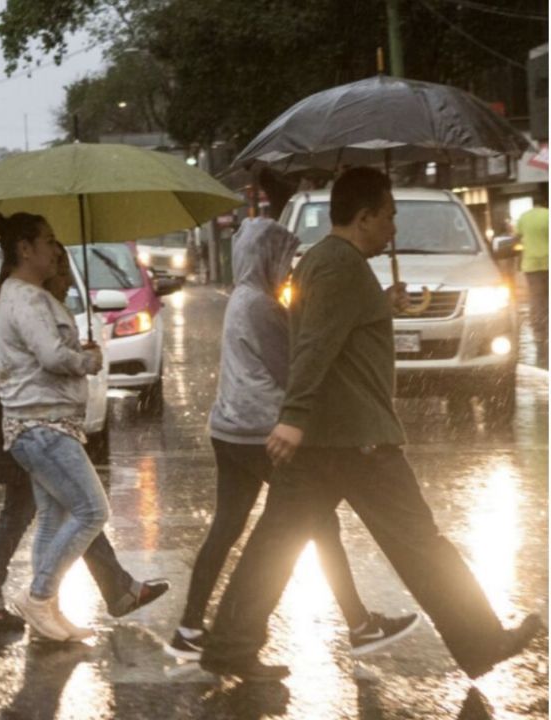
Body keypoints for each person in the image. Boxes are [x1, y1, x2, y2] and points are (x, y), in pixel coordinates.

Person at [200, 167, 545, 682]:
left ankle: (228, 646)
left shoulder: (326, 261)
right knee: (419, 542)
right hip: (354, 437)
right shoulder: (340, 266)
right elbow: (315, 343)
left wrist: (383, 305)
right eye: (389, 214)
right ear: (363, 217)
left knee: (276, 542)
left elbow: (333, 327)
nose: (394, 226)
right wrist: (292, 418)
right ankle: (480, 641)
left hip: (326, 439)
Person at [165, 169, 417, 661]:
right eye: (283, 258)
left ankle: (192, 627)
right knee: (314, 524)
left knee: (231, 527)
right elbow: (303, 361)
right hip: (262, 431)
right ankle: (356, 624)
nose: (288, 268)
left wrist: (374, 305)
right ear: (266, 258)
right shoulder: (259, 305)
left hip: (229, 429)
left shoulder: (244, 298)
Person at [0, 241, 169, 631]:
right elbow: (52, 357)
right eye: (52, 253)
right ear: (26, 248)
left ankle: (46, 612)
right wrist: (85, 360)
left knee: (52, 517)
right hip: (43, 426)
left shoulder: (23, 296)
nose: (58, 265)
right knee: (93, 510)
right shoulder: (25, 299)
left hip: (44, 423)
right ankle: (39, 595)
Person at [514, 189, 548, 367]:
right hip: (548, 263)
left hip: (531, 264)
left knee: (536, 297)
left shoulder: (524, 217)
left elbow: (517, 235)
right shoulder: (548, 215)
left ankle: (538, 326)